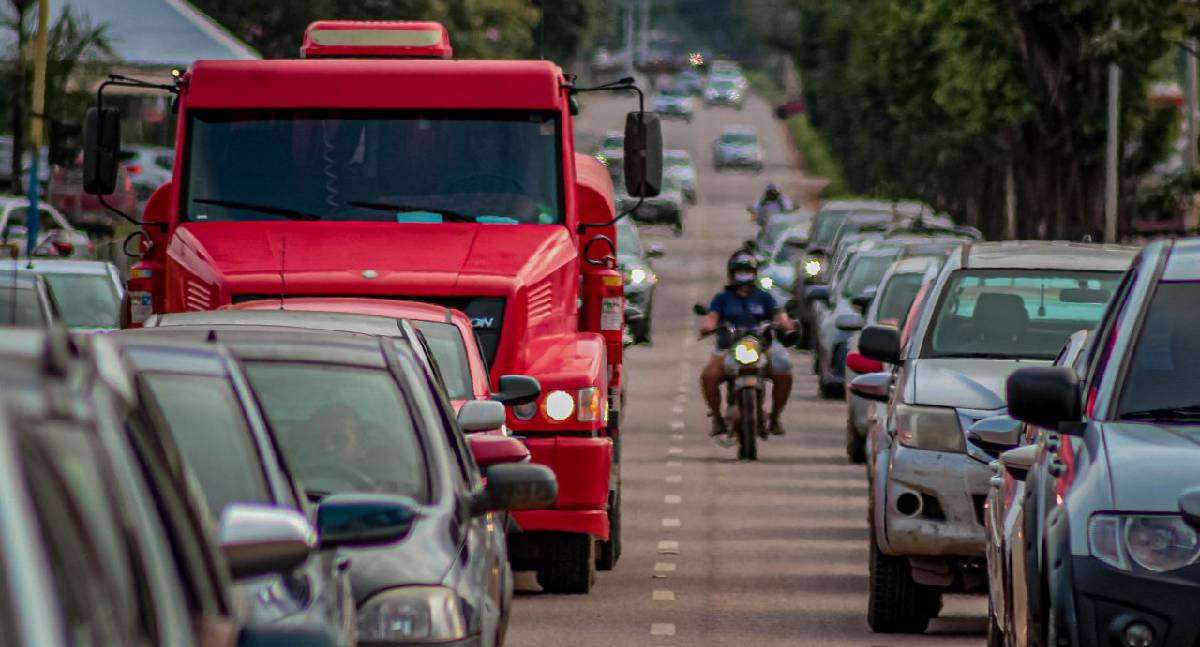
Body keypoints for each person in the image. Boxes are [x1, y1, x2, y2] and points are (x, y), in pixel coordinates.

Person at [699, 251, 796, 437]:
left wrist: (786, 324)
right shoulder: (722, 298)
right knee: (709, 376)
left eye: (748, 272)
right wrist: (708, 327)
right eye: (740, 272)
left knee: (784, 370)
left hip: (762, 347)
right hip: (729, 348)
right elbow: (712, 317)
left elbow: (779, 314)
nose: (744, 277)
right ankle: (717, 419)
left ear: (754, 274)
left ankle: (775, 418)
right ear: (732, 274)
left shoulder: (764, 297)